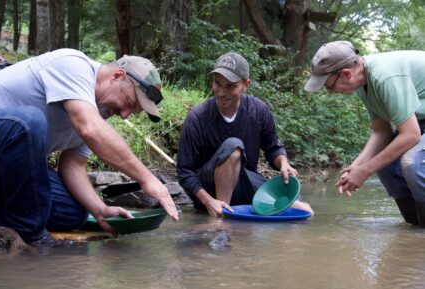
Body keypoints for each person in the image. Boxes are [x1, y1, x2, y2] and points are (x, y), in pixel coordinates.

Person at [0, 48, 179, 243]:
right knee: (29, 122)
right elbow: (89, 128)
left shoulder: (97, 113)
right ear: (117, 76)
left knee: (72, 213)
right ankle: (32, 238)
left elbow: (73, 166)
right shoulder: (73, 64)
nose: (124, 115)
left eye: (132, 112)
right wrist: (146, 178)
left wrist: (100, 210)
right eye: (128, 102)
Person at [176, 52, 313, 217]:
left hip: (244, 182)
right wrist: (208, 201)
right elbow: (185, 172)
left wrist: (284, 164)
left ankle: (231, 214)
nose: (221, 92)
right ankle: (221, 219)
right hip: (208, 190)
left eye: (230, 86)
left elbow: (273, 149)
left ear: (245, 85)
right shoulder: (197, 117)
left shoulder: (258, 111)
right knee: (233, 147)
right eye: (217, 84)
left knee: (304, 211)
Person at [304, 40, 425, 226]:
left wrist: (365, 171)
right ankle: (415, 231)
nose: (330, 92)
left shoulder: (384, 77)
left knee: (411, 164)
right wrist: (357, 167)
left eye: (328, 86)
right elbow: (380, 132)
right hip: (420, 120)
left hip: (416, 126)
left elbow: (410, 135)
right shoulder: (363, 83)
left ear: (346, 73)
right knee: (384, 165)